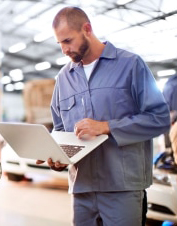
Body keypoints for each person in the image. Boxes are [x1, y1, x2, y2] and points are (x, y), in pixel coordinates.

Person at [36, 7, 170, 226]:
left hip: (122, 188)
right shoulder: (63, 79)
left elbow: (159, 118)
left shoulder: (130, 65)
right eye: (59, 43)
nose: (64, 50)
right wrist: (56, 157)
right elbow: (60, 131)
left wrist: (107, 126)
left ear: (87, 29)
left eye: (68, 41)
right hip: (82, 189)